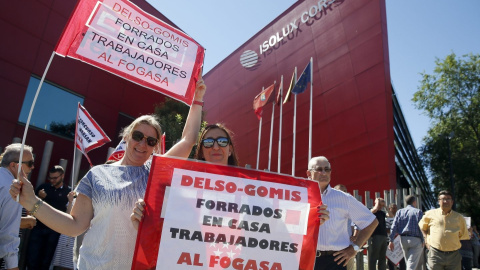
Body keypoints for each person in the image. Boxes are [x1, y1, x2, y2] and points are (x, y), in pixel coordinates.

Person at [9, 74, 207, 269]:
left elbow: (188, 140)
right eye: (138, 135)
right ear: (127, 136)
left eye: (150, 141)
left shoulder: (155, 174)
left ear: (155, 147)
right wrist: (32, 203)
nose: (142, 143)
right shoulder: (97, 175)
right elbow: (75, 225)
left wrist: (197, 99)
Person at [307, 156, 378, 270]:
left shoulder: (344, 198)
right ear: (309, 173)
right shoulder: (298, 196)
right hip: (307, 259)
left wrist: (354, 248)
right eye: (319, 169)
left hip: (336, 261)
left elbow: (371, 222)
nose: (324, 172)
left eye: (327, 169)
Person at [27, 165, 71, 270]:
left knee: (47, 259)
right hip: (39, 227)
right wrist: (39, 199)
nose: (52, 180)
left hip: (54, 230)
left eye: (55, 178)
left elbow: (68, 212)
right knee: (32, 257)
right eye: (50, 178)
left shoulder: (67, 192)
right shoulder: (43, 188)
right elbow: (32, 207)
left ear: (62, 176)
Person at [0, 143, 35, 270]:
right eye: (30, 163)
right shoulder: (13, 189)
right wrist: (13, 266)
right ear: (14, 165)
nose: (32, 167)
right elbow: (8, 234)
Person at [419, 190, 470, 270]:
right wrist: (426, 240)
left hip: (454, 256)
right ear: (439, 201)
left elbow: (463, 236)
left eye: (448, 199)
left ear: (452, 202)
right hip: (435, 254)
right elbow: (422, 227)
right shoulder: (430, 214)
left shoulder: (459, 218)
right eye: (443, 199)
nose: (446, 201)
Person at [388, 195, 424, 270]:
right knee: (412, 264)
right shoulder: (418, 212)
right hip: (416, 239)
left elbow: (393, 226)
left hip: (403, 239)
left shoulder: (399, 212)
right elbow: (421, 227)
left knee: (408, 262)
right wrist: (423, 239)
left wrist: (391, 240)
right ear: (414, 202)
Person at [51, 191, 76, 270]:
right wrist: (70, 201)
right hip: (66, 236)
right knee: (61, 265)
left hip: (79, 238)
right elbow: (67, 216)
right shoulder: (75, 200)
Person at [333, 184, 356, 270]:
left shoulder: (351, 209)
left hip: (348, 249)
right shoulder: (329, 208)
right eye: (340, 191)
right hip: (333, 250)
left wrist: (355, 248)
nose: (343, 193)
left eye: (345, 191)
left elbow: (365, 223)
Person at [369, 197, 388, 270]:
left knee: (382, 256)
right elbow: (373, 210)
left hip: (384, 235)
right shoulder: (371, 209)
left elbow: (391, 215)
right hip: (376, 235)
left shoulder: (382, 213)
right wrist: (377, 202)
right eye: (380, 205)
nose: (380, 207)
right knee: (374, 255)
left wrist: (385, 206)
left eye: (382, 205)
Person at [386, 203, 406, 270]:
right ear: (389, 209)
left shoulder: (399, 218)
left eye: (396, 208)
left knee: (401, 257)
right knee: (391, 258)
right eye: (393, 208)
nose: (395, 209)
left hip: (399, 240)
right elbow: (387, 230)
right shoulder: (386, 218)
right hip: (390, 240)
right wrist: (394, 232)